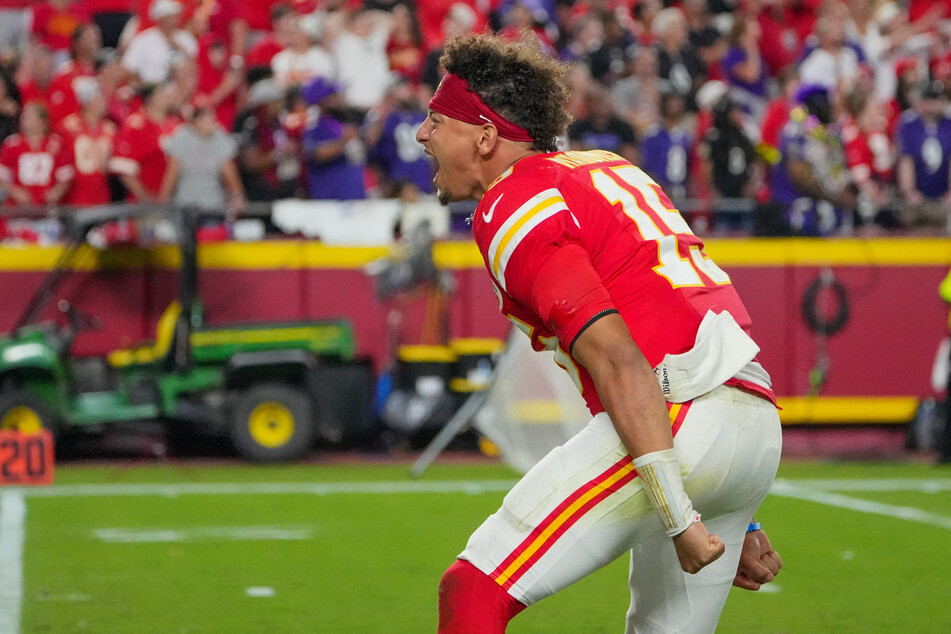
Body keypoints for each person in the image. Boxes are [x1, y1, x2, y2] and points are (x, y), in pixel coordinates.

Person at [415, 33, 782, 633]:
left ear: (485, 136)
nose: (422, 135)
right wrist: (732, 508)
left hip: (677, 415)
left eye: (436, 119)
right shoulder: (603, 168)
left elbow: (617, 357)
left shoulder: (513, 201)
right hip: (752, 418)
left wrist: (680, 515)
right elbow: (672, 318)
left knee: (473, 590)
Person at [159, 98, 245, 213]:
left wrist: (238, 196)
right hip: (185, 204)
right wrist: (164, 199)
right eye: (203, 116)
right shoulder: (182, 137)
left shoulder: (220, 138)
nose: (209, 120)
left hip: (213, 204)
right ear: (195, 120)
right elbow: (172, 173)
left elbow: (229, 173)